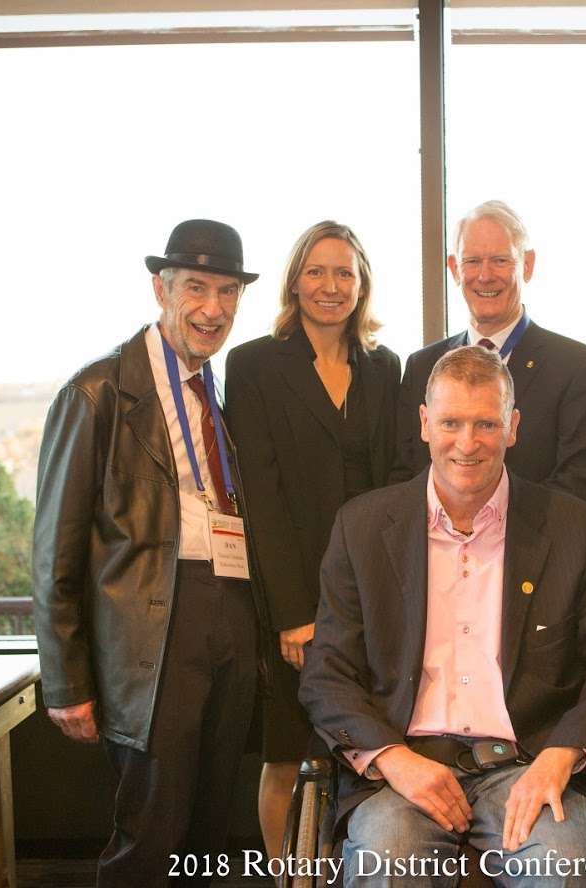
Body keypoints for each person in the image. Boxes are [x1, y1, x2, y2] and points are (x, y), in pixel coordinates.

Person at [301, 346, 586, 888]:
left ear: (513, 427)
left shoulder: (572, 529)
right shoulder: (362, 527)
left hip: (528, 766)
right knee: (388, 861)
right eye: (451, 423)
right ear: (424, 423)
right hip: (405, 773)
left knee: (563, 867)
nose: (467, 444)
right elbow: (326, 673)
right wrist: (393, 759)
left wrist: (562, 754)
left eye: (486, 424)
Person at [33, 219, 267, 887]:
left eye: (228, 292)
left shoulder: (213, 391)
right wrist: (66, 681)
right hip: (154, 628)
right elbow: (55, 549)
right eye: (196, 287)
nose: (213, 309)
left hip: (229, 612)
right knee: (152, 830)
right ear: (160, 290)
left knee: (209, 825)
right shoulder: (97, 391)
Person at [224, 220, 400, 860]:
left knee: (367, 750)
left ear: (362, 284)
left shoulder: (385, 367)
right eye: (316, 271)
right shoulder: (253, 365)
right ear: (294, 282)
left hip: (370, 592)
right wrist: (294, 614)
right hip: (293, 594)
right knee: (286, 755)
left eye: (344, 272)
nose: (331, 285)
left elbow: (397, 483)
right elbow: (260, 500)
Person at [390, 200, 586, 504]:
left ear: (527, 265)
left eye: (500, 260)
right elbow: (406, 478)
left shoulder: (577, 367)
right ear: (454, 268)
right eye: (472, 261)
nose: (485, 275)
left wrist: (488, 524)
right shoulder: (422, 366)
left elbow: (578, 483)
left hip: (537, 534)